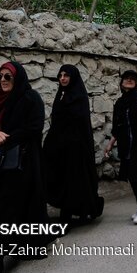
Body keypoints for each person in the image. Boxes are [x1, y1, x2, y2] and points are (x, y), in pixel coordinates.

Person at [0, 61, 51, 273]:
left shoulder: (31, 98)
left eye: (7, 76)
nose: (2, 80)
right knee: (10, 209)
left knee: (5, 210)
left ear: (17, 78)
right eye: (0, 76)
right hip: (1, 164)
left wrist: (6, 139)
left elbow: (35, 128)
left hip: (24, 164)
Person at [43, 64, 104, 227]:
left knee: (73, 181)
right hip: (60, 147)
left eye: (66, 75)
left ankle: (67, 217)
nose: (63, 78)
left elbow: (78, 124)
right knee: (60, 178)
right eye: (60, 75)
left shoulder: (79, 97)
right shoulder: (61, 94)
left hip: (76, 148)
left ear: (73, 77)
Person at [104, 70, 137, 225]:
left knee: (135, 175)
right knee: (132, 177)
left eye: (133, 79)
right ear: (121, 82)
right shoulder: (119, 103)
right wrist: (110, 144)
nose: (129, 80)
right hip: (127, 146)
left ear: (136, 84)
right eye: (126, 78)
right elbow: (117, 128)